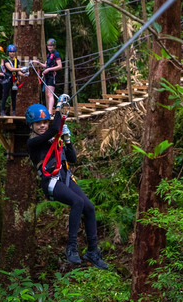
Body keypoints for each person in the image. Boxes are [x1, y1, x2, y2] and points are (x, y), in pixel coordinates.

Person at [25, 100, 108, 269]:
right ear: (31, 126)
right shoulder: (33, 143)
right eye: (38, 123)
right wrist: (58, 108)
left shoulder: (54, 139)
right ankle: (71, 247)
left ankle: (92, 251)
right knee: (77, 202)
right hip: (51, 181)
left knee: (89, 207)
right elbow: (54, 129)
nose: (42, 126)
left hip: (65, 177)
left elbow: (72, 159)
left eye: (44, 122)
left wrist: (67, 140)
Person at [32, 38, 62, 113]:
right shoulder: (49, 54)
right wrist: (39, 63)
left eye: (51, 46)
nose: (49, 47)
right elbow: (46, 65)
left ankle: (50, 111)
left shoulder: (56, 54)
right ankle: (49, 110)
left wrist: (49, 69)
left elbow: (59, 66)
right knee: (47, 94)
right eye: (48, 46)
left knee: (50, 93)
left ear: (54, 46)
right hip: (47, 76)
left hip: (52, 75)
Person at [0, 44, 25, 116]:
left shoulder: (17, 61)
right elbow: (10, 69)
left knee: (13, 96)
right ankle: (2, 111)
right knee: (5, 95)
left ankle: (13, 111)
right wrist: (20, 69)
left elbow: (18, 72)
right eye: (10, 52)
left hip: (15, 80)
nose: (12, 53)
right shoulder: (6, 60)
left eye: (13, 52)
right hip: (8, 80)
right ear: (8, 52)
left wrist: (23, 74)